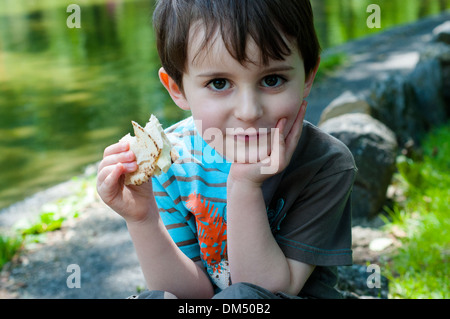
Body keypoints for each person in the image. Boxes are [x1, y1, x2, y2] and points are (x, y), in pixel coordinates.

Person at [97, 0, 357, 299]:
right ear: (177, 88)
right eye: (219, 83)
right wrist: (143, 219)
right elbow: (188, 296)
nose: (248, 111)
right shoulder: (171, 163)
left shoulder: (324, 164)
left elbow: (264, 292)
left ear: (308, 75)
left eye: (272, 80)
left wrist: (243, 183)